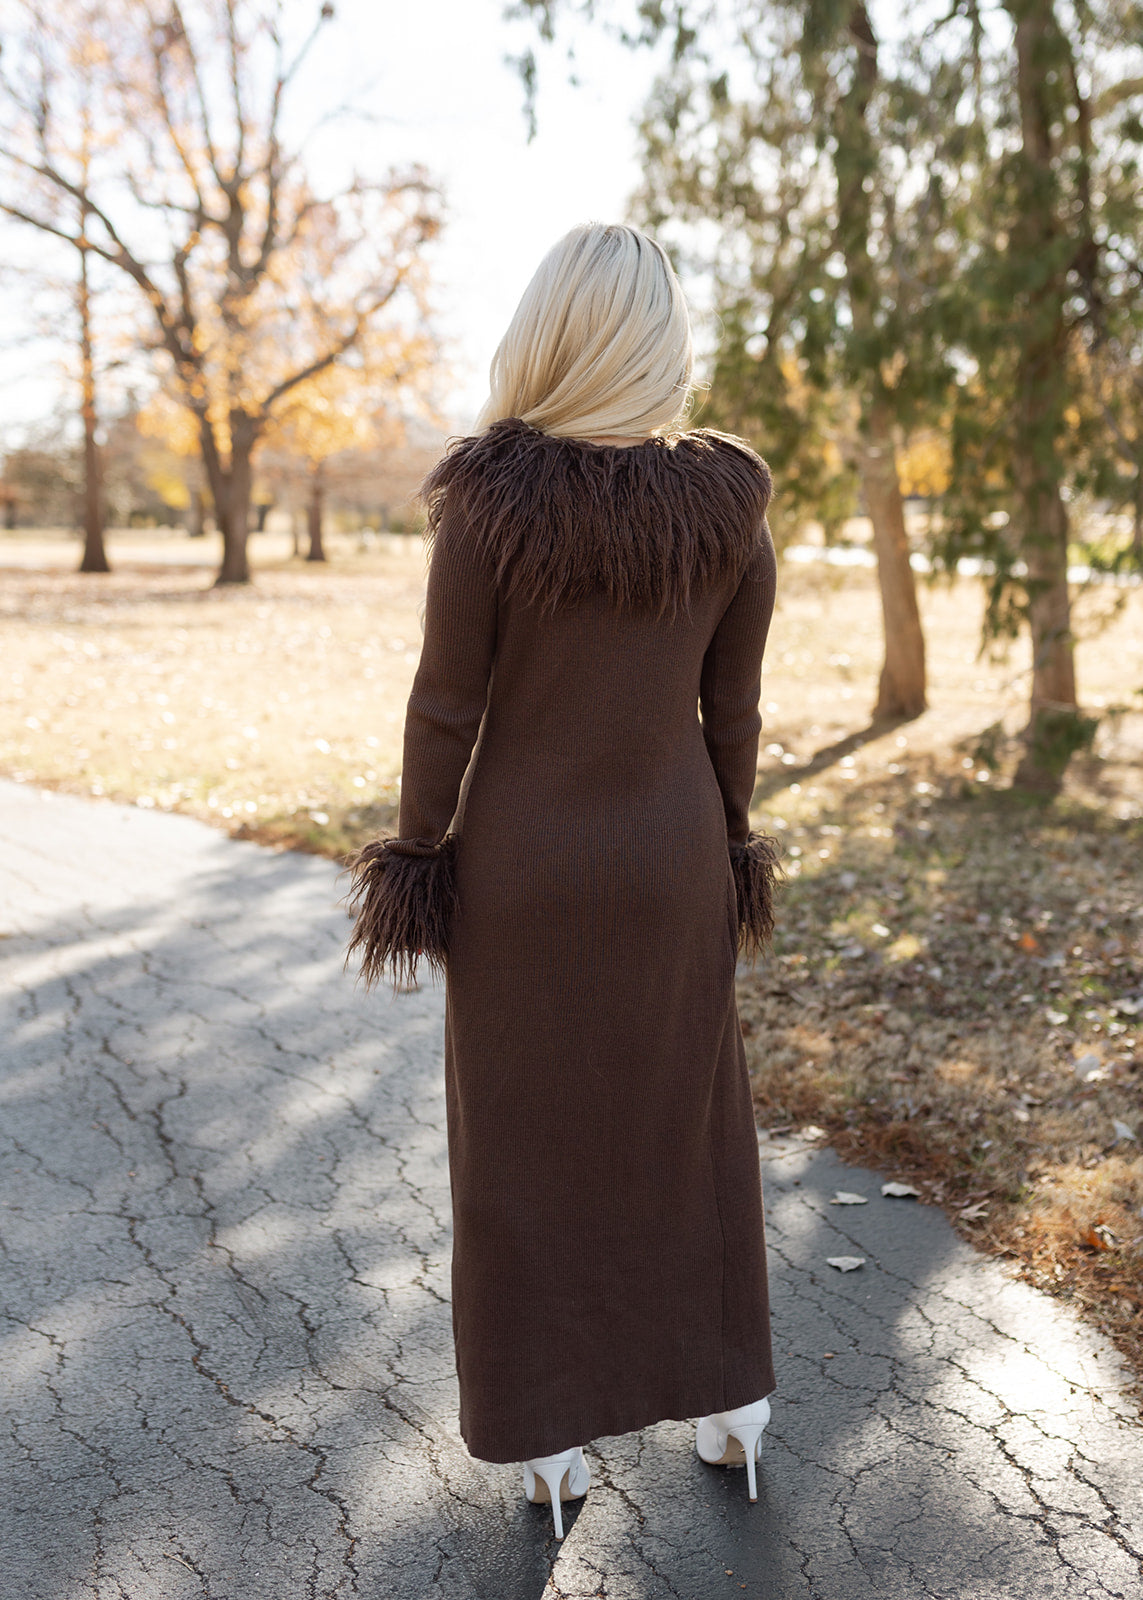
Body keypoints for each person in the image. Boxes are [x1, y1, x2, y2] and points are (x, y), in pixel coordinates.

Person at [347, 222, 780, 1539]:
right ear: (662, 341)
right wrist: (728, 839)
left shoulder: (490, 498)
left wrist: (419, 851)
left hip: (522, 874)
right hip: (674, 861)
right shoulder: (730, 499)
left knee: (521, 1146)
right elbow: (733, 711)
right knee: (689, 1124)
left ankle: (545, 1440)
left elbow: (446, 704)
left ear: (545, 332)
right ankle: (733, 1408)